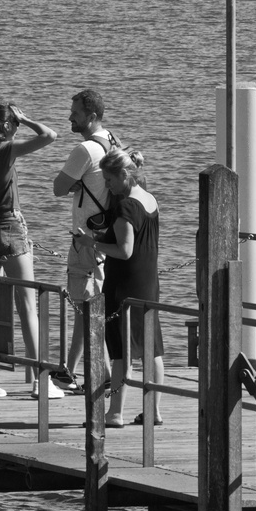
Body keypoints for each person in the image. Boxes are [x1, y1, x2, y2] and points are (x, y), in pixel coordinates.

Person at [0, 103, 57, 400]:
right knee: (28, 305)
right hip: (9, 229)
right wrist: (27, 118)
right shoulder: (6, 150)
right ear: (6, 127)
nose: (17, 129)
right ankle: (40, 382)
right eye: (14, 125)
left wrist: (0, 120)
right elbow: (49, 135)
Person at [78, 147, 163, 427]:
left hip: (124, 284)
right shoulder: (150, 200)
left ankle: (115, 412)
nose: (107, 185)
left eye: (109, 179)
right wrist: (104, 236)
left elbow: (124, 250)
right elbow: (136, 239)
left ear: (124, 175)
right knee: (152, 350)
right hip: (148, 282)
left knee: (120, 352)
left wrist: (91, 243)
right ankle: (153, 410)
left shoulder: (126, 205)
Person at [51, 89, 121, 392]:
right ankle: (71, 370)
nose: (70, 117)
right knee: (86, 304)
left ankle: (100, 374)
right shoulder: (113, 142)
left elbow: (57, 187)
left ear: (91, 116)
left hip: (86, 240)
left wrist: (76, 183)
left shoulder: (85, 150)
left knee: (85, 304)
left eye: (75, 113)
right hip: (109, 236)